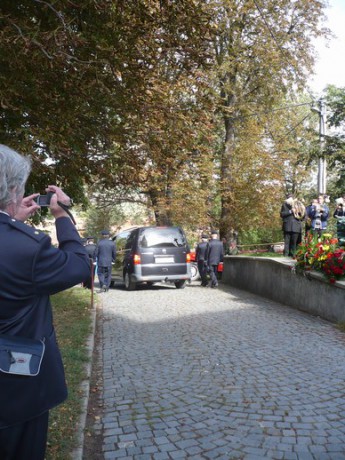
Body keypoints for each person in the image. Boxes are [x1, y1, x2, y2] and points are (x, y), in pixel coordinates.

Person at [0, 144, 90, 460]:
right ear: (13, 189)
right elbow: (79, 264)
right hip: (16, 391)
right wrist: (61, 214)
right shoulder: (27, 247)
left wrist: (11, 218)